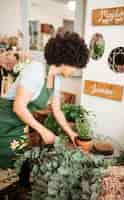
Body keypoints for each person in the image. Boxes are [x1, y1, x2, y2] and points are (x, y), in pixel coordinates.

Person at [0, 32, 89, 168]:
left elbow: (56, 110)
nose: (75, 70)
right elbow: (19, 107)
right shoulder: (36, 70)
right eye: (76, 67)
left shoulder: (56, 80)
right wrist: (43, 130)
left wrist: (70, 132)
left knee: (14, 163)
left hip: (19, 125)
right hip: (4, 120)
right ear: (66, 60)